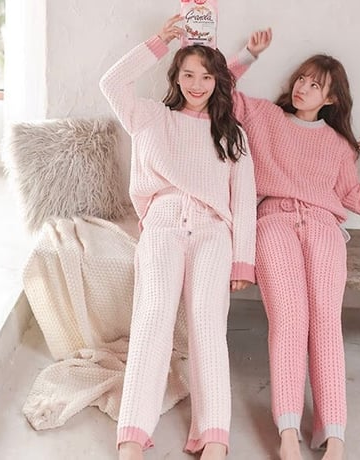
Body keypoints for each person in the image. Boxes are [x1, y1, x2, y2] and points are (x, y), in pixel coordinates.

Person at [227, 30, 360, 460]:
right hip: (273, 221)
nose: (302, 87)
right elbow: (219, 90)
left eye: (315, 84)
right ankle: (287, 430)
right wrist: (249, 54)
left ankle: (333, 434)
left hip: (324, 227)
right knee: (289, 319)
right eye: (301, 78)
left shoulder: (339, 146)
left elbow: (355, 202)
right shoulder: (264, 116)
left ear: (331, 99)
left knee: (325, 322)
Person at [100, 14, 256, 460]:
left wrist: (243, 260)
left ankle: (214, 438)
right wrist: (159, 41)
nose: (197, 84)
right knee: (152, 320)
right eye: (188, 74)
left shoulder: (232, 134)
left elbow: (244, 199)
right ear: (175, 76)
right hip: (164, 226)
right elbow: (111, 83)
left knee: (208, 327)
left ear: (219, 81)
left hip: (213, 233)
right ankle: (132, 436)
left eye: (206, 76)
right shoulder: (151, 117)